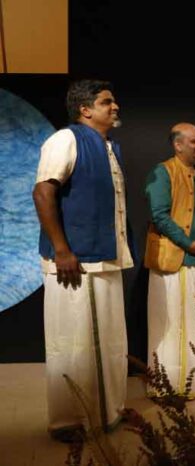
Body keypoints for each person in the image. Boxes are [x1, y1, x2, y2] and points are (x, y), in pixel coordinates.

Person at [33, 79, 133, 441]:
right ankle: (69, 420)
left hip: (104, 259)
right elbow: (43, 191)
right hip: (75, 261)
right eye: (107, 101)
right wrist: (62, 250)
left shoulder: (107, 147)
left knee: (108, 341)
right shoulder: (66, 139)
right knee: (72, 342)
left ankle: (107, 411)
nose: (115, 106)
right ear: (84, 109)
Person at [144, 123, 195, 399]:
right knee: (171, 325)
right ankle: (168, 385)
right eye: (194, 141)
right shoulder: (163, 171)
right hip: (174, 261)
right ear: (178, 145)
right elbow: (160, 215)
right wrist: (188, 242)